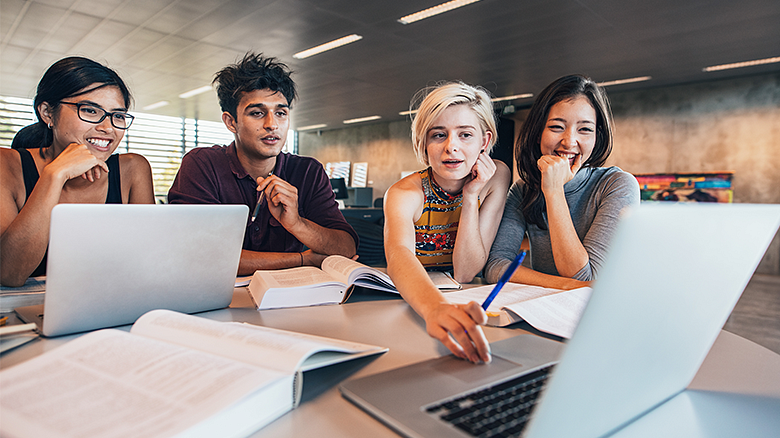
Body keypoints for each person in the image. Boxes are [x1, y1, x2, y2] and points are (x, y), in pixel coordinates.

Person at [167, 52, 358, 275]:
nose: (272, 124)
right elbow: (200, 255)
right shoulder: (202, 165)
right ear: (231, 122)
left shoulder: (307, 171)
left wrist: (296, 223)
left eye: (281, 113)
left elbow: (346, 248)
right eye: (257, 113)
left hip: (289, 300)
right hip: (220, 299)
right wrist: (302, 260)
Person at [384, 82, 511, 363]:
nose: (451, 147)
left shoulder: (496, 177)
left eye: (465, 135)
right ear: (424, 143)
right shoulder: (404, 193)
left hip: (466, 300)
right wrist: (434, 309)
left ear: (484, 142)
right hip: (413, 303)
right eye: (438, 135)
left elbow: (466, 272)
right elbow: (398, 255)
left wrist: (471, 196)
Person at [0, 56, 155, 287]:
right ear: (47, 113)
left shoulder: (132, 170)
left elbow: (149, 264)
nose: (107, 128)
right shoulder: (7, 164)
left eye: (118, 115)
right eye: (90, 111)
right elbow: (9, 274)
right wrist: (55, 175)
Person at [485, 74, 640, 290]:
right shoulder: (522, 190)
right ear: (538, 132)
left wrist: (554, 190)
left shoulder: (617, 185)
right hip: (542, 310)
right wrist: (565, 286)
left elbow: (584, 275)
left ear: (597, 137)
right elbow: (496, 266)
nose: (569, 142)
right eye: (557, 127)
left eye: (584, 129)